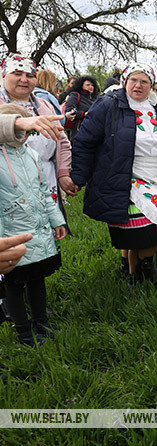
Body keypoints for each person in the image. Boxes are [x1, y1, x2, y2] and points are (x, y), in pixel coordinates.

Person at [71, 62, 157, 285]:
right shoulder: (108, 105)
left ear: (152, 86)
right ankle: (140, 273)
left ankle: (138, 269)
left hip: (156, 178)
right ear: (124, 81)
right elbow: (85, 141)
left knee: (154, 226)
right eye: (133, 80)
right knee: (142, 228)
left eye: (145, 81)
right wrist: (78, 176)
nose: (138, 85)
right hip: (126, 177)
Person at [0, 103, 67, 346]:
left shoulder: (32, 155)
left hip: (37, 235)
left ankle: (40, 323)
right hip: (11, 237)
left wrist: (56, 220)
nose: (23, 136)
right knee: (13, 287)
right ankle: (23, 331)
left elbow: (43, 192)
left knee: (37, 280)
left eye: (27, 130)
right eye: (18, 130)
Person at [0, 54, 76, 229]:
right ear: (4, 75)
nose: (24, 79)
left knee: (49, 231)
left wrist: (63, 172)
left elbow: (62, 141)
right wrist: (18, 123)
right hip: (9, 185)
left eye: (30, 75)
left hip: (45, 178)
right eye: (17, 73)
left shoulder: (44, 105)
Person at [64, 75, 99, 143]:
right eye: (87, 85)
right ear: (81, 85)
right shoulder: (75, 95)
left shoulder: (96, 98)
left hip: (94, 133)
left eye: (92, 85)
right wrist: (84, 114)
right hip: (79, 133)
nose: (91, 87)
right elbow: (69, 111)